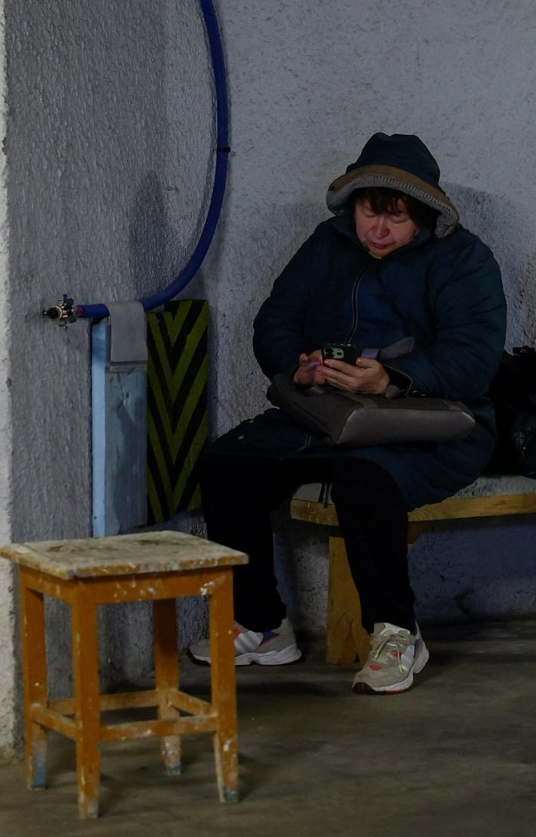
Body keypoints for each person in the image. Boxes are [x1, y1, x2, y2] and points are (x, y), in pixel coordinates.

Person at [187, 133, 506, 693]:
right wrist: (298, 369)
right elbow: (275, 320)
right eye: (368, 213)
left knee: (366, 479)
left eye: (396, 218)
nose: (377, 231)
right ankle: (262, 625)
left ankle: (397, 633)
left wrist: (392, 378)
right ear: (352, 205)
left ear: (424, 216)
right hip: (328, 414)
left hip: (430, 422)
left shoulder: (464, 259)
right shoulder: (327, 244)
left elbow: (474, 358)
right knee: (225, 465)